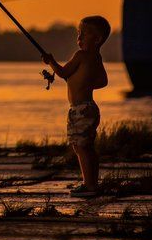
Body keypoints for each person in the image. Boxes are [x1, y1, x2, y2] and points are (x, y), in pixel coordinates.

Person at [41, 15, 110, 197]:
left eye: (83, 34)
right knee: (86, 147)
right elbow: (103, 81)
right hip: (89, 107)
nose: (78, 38)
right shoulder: (97, 57)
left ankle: (89, 186)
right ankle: (92, 183)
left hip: (80, 109)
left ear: (97, 39)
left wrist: (51, 62)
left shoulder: (80, 56)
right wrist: (84, 82)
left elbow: (63, 72)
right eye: (78, 33)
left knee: (80, 147)